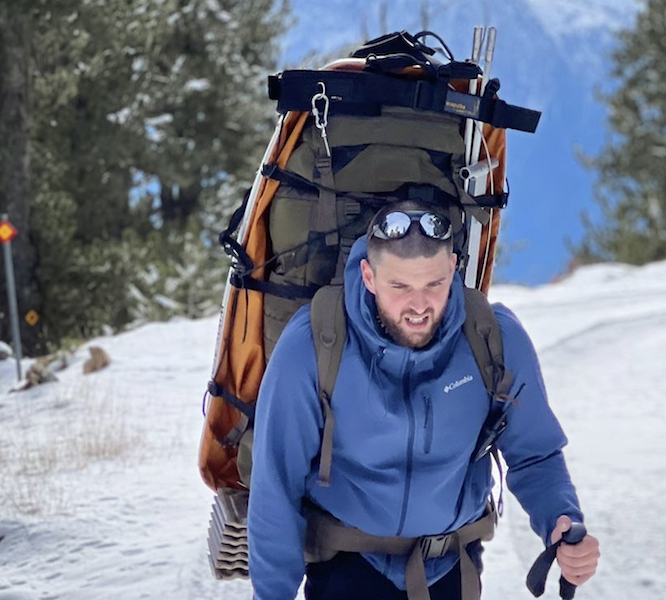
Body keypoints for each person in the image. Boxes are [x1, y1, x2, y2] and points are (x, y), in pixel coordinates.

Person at [247, 200, 600, 600]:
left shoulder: (492, 338)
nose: (418, 306)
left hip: (453, 567)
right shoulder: (313, 343)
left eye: (434, 284)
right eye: (399, 286)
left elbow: (535, 453)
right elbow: (276, 483)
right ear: (369, 276)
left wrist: (561, 518)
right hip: (346, 566)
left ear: (452, 268)